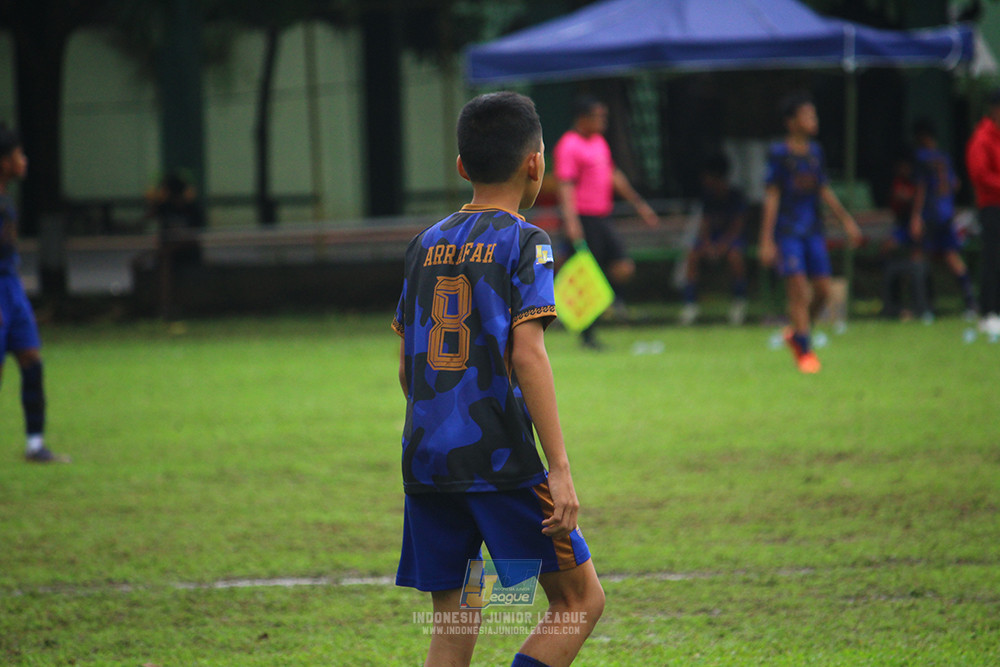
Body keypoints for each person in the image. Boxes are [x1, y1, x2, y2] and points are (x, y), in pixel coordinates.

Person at [391, 92, 604, 667]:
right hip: (499, 458)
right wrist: (559, 468)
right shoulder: (525, 241)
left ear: (462, 166)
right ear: (536, 163)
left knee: (454, 622)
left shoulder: (423, 244)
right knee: (579, 600)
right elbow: (528, 355)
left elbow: (409, 366)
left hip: (427, 458)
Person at [759, 93, 862, 374]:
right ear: (791, 122)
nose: (812, 120)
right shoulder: (780, 154)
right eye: (806, 115)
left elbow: (823, 190)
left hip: (813, 231)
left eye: (813, 115)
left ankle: (798, 334)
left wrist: (846, 221)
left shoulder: (816, 153)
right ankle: (805, 352)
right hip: (788, 232)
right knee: (797, 290)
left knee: (823, 291)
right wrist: (766, 239)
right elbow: (772, 196)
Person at [554, 94, 659, 348]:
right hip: (584, 217)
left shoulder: (600, 142)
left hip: (603, 216)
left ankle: (606, 305)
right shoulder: (569, 145)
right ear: (582, 118)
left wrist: (639, 205)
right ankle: (587, 334)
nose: (603, 121)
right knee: (589, 275)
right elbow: (565, 185)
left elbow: (613, 174)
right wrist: (571, 222)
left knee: (622, 267)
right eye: (598, 116)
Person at [0, 123, 68, 462]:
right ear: (3, 161)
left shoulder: (5, 198)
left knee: (31, 359)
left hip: (10, 286)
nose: (24, 160)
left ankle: (35, 445)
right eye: (18, 155)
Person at [908, 118, 976, 321]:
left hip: (931, 213)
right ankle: (971, 302)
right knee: (951, 255)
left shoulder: (922, 157)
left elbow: (921, 188)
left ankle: (924, 306)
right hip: (946, 213)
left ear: (921, 136)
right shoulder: (944, 157)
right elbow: (956, 183)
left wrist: (916, 216)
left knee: (920, 255)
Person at [679, 152, 749, 326]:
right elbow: (704, 225)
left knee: (735, 256)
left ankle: (739, 303)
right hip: (712, 240)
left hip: (731, 240)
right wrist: (708, 244)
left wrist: (723, 245)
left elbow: (737, 227)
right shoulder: (707, 198)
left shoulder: (735, 197)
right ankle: (690, 305)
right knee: (692, 254)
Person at [965, 88, 1000, 337]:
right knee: (992, 260)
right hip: (991, 206)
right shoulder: (982, 137)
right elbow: (980, 175)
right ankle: (988, 312)